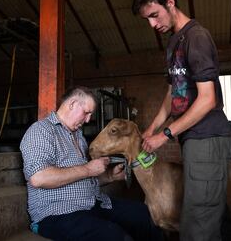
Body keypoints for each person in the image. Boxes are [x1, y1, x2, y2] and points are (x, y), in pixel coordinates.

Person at [132, 0, 231, 241]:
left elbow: (208, 99)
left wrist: (164, 136)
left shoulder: (196, 37)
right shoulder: (174, 42)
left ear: (171, 3)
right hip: (194, 141)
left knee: (199, 226)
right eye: (147, 20)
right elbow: (172, 92)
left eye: (154, 15)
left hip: (208, 137)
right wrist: (151, 128)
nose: (153, 24)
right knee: (193, 221)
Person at [20, 86, 163, 241]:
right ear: (72, 104)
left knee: (143, 214)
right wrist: (88, 169)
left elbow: (80, 178)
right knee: (114, 235)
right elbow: (38, 178)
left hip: (93, 203)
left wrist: (109, 176)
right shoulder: (41, 131)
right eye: (86, 112)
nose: (88, 119)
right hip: (57, 213)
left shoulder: (78, 136)